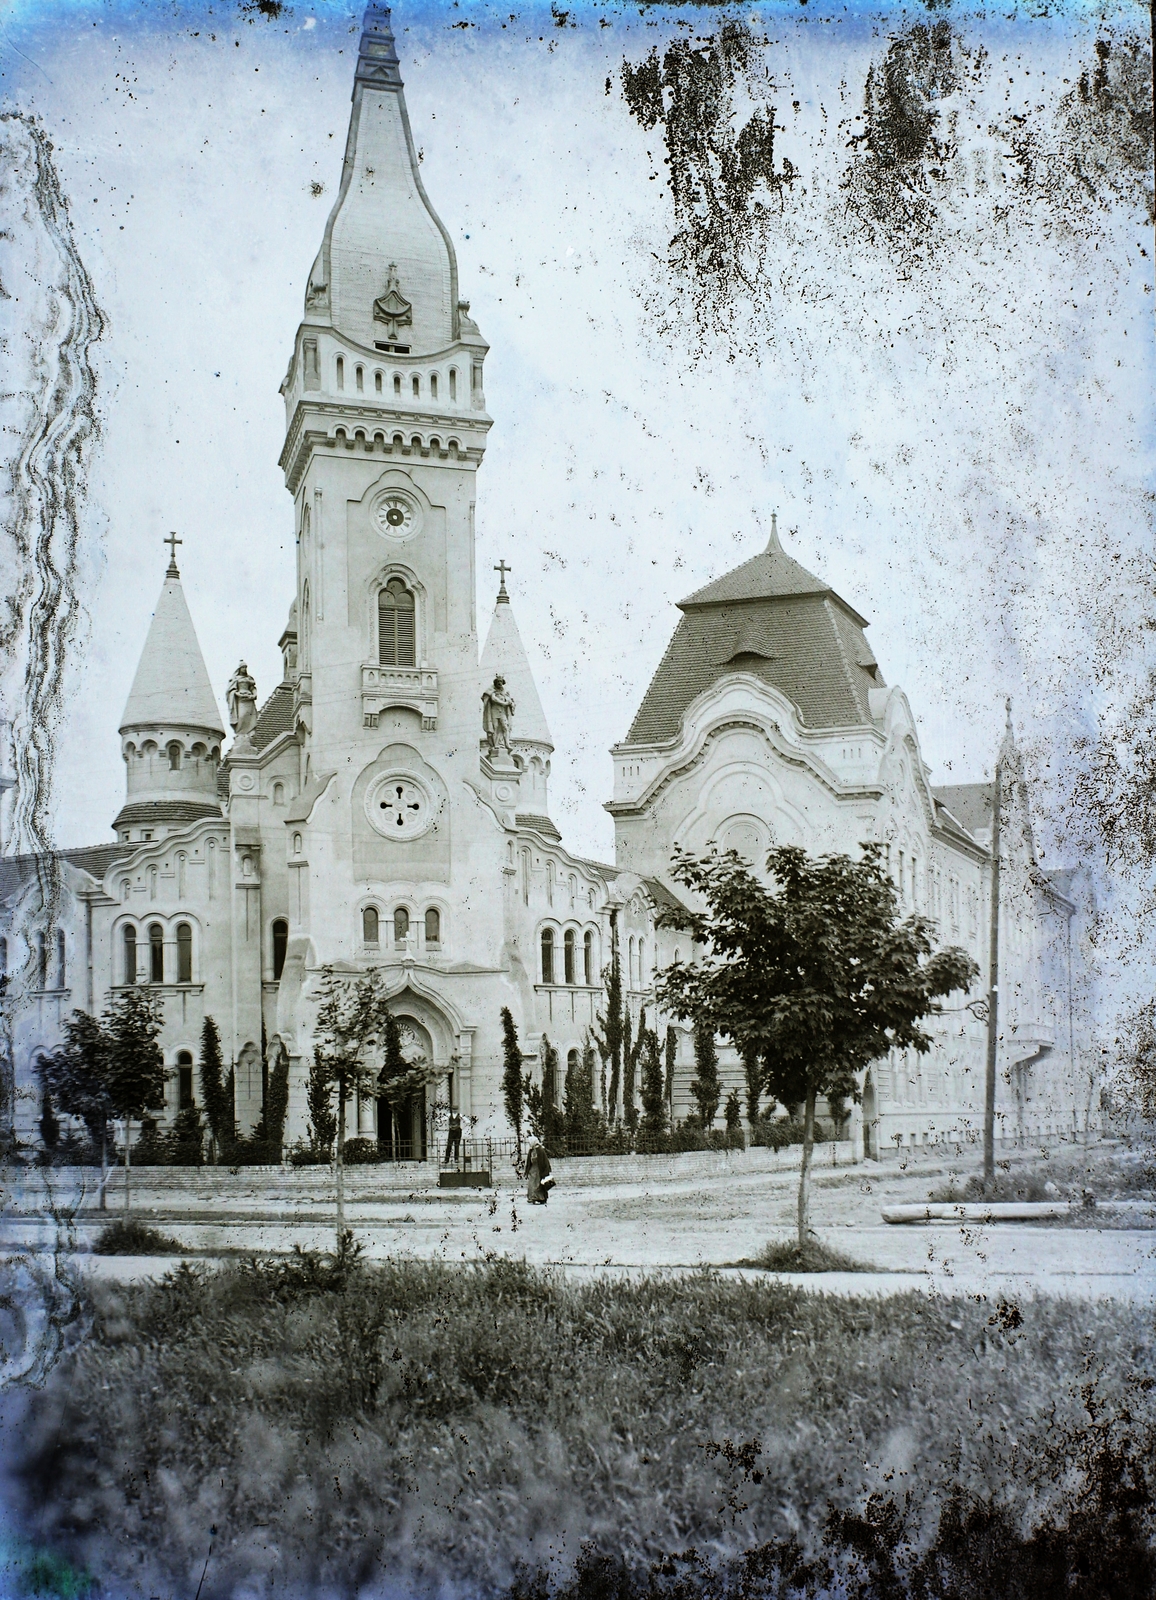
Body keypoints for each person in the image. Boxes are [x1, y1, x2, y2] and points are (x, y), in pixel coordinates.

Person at [525, 1138, 553, 1205]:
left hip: (539, 1170)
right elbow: (529, 1161)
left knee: (538, 1184)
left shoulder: (540, 1150)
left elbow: (544, 1161)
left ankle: (540, 1198)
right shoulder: (531, 1150)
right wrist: (527, 1171)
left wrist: (546, 1170)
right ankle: (532, 1197)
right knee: (531, 1184)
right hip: (532, 1170)